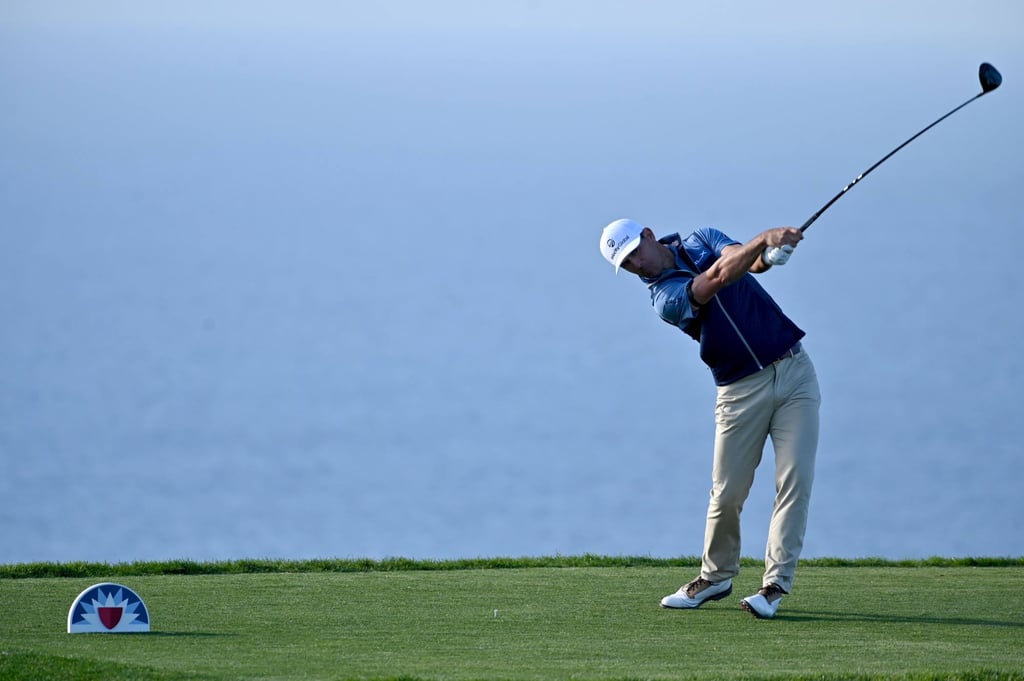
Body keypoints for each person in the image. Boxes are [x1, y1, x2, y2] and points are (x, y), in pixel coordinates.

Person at [599, 218, 821, 619]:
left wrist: (768, 255)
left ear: (649, 235)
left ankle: (774, 587)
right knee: (727, 492)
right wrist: (764, 241)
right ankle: (716, 576)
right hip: (739, 392)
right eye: (627, 264)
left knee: (794, 482)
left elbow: (743, 262)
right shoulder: (664, 297)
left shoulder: (702, 238)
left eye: (635, 253)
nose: (636, 265)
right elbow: (716, 278)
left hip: (795, 373)